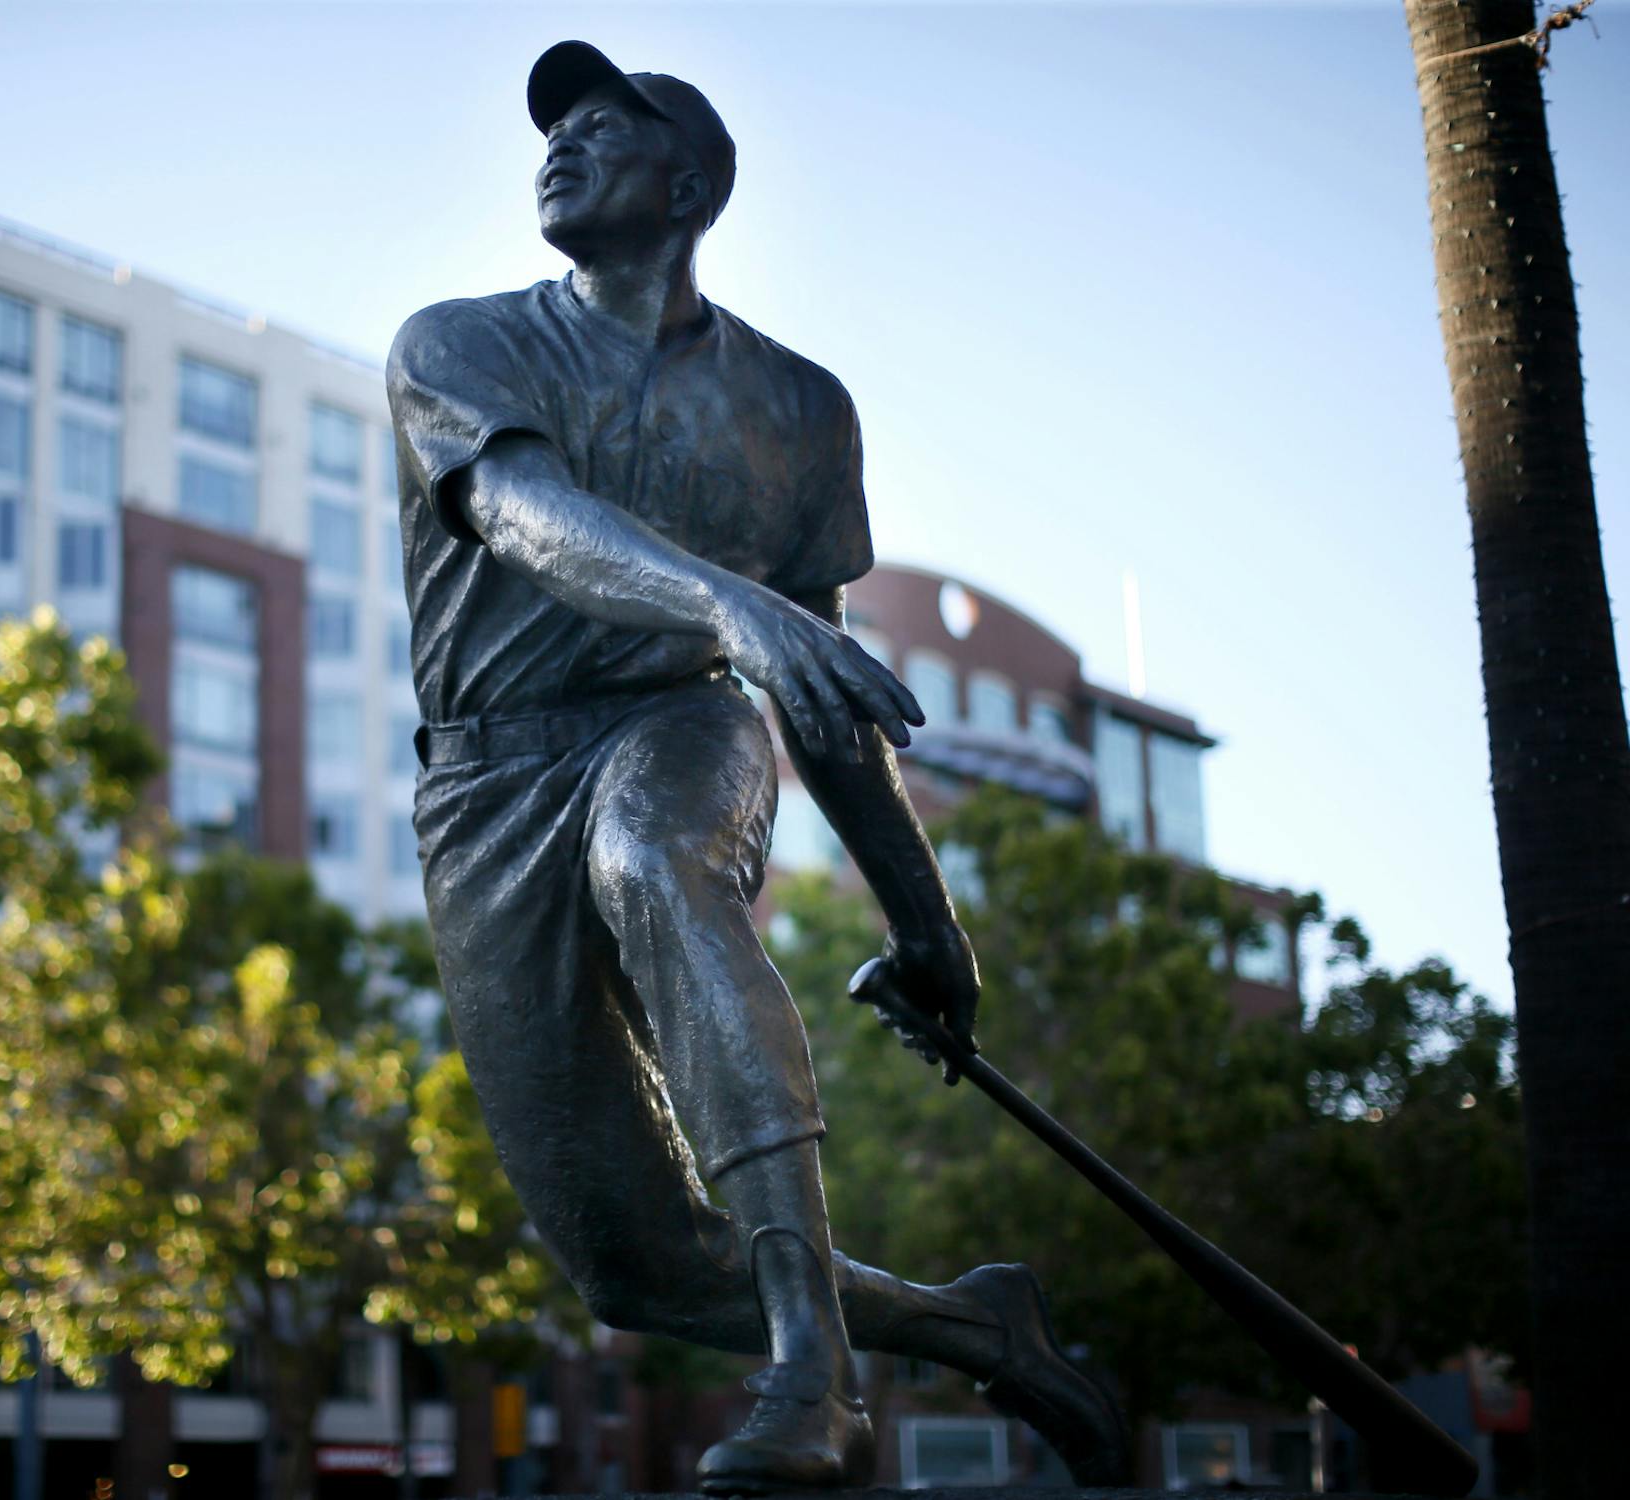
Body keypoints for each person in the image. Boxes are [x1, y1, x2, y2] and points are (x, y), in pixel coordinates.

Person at [386, 40, 1127, 1494]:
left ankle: (813, 1380)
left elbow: (815, 686)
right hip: (485, 786)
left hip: (673, 723)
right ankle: (979, 1330)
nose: (565, 143)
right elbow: (528, 518)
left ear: (694, 183)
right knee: (634, 1264)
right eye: (559, 125)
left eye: (609, 126)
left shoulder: (798, 409)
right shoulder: (457, 342)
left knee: (656, 861)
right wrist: (739, 603)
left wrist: (928, 921)